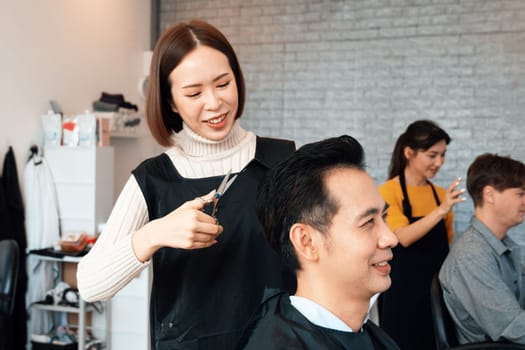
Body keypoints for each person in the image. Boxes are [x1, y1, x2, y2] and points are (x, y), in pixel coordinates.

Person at [76, 19, 296, 349]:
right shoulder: (153, 180)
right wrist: (154, 234)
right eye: (194, 93)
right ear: (170, 102)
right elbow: (90, 285)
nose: (214, 103)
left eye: (223, 84)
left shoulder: (283, 161)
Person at [238, 135, 400, 350]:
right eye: (368, 222)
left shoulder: (375, 338)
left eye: (384, 217)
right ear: (306, 242)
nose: (391, 238)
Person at [378, 120, 465, 350]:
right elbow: (402, 237)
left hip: (437, 295)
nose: (439, 162)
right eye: (432, 155)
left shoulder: (440, 195)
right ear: (409, 153)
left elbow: (448, 244)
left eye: (443, 155)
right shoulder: (388, 192)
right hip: (401, 295)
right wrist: (441, 210)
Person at [439, 153, 525, 344]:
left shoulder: (502, 245)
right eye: (520, 194)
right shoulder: (472, 254)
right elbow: (512, 326)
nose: (524, 201)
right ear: (490, 195)